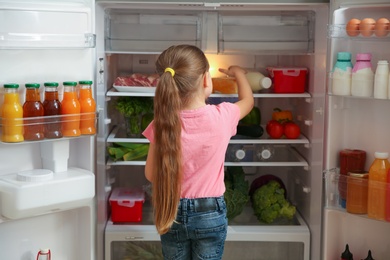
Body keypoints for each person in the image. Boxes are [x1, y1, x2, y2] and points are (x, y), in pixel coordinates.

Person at [142, 44, 254, 260]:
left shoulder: (162, 123)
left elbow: (150, 174)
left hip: (171, 212)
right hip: (210, 213)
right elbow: (248, 101)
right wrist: (238, 73)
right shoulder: (223, 116)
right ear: (205, 80)